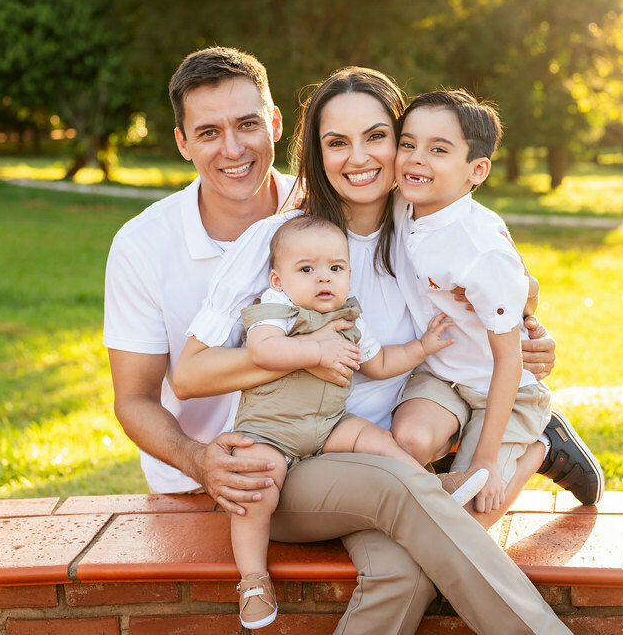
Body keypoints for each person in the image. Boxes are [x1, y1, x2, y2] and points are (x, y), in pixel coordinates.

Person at [109, 47, 571, 634]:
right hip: (299, 459)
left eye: (377, 136)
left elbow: (501, 279)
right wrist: (308, 354)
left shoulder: (418, 221)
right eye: (336, 142)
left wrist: (530, 324)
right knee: (399, 486)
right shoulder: (285, 240)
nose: (359, 158)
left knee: (403, 571)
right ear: (314, 150)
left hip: (389, 448)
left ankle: (532, 446)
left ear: (401, 144)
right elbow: (192, 374)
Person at [219, 214, 487, 628]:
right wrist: (319, 351)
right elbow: (264, 352)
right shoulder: (274, 309)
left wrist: (422, 346)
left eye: (335, 268)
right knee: (259, 485)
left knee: (373, 438)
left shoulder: (349, 316)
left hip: (328, 424)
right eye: (306, 269)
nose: (323, 278)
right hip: (269, 432)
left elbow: (378, 363)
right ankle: (253, 580)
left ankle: (430, 484)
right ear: (278, 279)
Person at [388, 89, 603, 530]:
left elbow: (509, 360)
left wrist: (485, 463)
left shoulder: (480, 249)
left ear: (477, 170)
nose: (416, 159)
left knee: (465, 527)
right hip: (442, 375)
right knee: (406, 443)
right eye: (407, 144)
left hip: (503, 389)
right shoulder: (400, 205)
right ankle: (461, 467)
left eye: (439, 150)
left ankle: (541, 445)